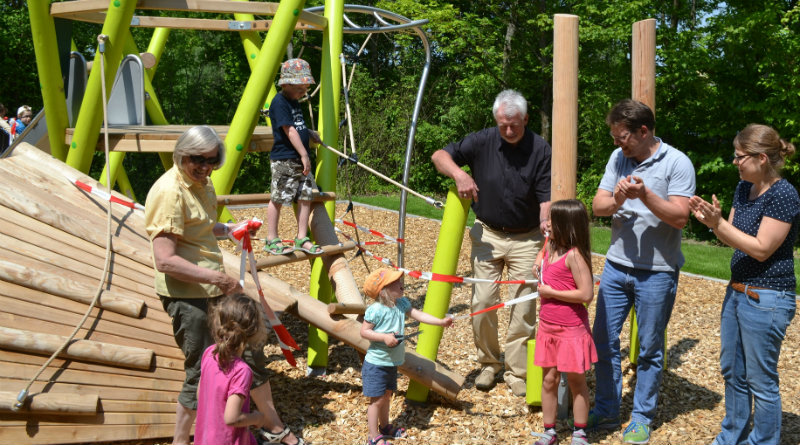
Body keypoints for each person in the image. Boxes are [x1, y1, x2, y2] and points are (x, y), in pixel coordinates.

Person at [145, 125, 307, 445]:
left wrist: (231, 228)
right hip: (188, 295)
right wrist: (219, 278)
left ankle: (270, 426)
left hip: (212, 289)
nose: (206, 167)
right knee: (202, 369)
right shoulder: (169, 192)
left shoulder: (201, 183)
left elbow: (201, 229)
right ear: (181, 155)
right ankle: (181, 440)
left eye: (212, 160)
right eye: (198, 159)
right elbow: (165, 260)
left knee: (249, 352)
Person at [431, 89, 551, 397]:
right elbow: (439, 155)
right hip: (488, 233)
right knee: (483, 302)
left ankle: (517, 371)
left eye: (515, 124)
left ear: (525, 119)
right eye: (503, 125)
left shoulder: (540, 149)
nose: (508, 131)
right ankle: (489, 364)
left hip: (528, 237)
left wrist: (547, 231)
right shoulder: (482, 139)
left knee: (523, 308)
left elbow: (546, 198)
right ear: (496, 120)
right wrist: (459, 174)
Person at [590, 99, 695, 444]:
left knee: (649, 349)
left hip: (658, 271)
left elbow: (680, 217)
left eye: (622, 137)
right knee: (603, 341)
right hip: (618, 265)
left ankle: (641, 418)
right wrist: (620, 198)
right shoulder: (618, 158)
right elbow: (599, 207)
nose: (617, 143)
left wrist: (645, 194)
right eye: (615, 136)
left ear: (644, 131)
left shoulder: (677, 163)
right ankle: (606, 410)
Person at [689, 124, 798, 445]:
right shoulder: (743, 189)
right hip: (737, 292)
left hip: (768, 297)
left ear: (761, 158)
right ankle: (731, 436)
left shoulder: (784, 194)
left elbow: (762, 248)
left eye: (740, 156)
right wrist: (714, 223)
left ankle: (763, 441)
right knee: (733, 372)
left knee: (761, 380)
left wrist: (719, 224)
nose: (735, 162)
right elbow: (735, 239)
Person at [360, 268, 454, 445]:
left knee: (386, 395)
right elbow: (364, 332)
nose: (402, 284)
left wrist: (441, 322)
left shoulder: (401, 303)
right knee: (377, 400)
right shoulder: (376, 310)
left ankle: (385, 427)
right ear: (384, 290)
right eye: (396, 282)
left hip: (391, 363)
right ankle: (372, 437)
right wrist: (384, 337)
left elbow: (418, 315)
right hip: (376, 364)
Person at [531, 200, 597, 445]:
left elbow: (586, 295)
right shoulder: (551, 246)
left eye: (552, 220)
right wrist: (538, 263)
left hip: (571, 329)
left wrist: (551, 292)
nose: (547, 224)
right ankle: (550, 430)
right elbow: (542, 253)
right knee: (549, 380)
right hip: (548, 327)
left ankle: (579, 432)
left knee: (576, 381)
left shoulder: (575, 256)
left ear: (567, 225)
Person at [265, 58, 322, 256]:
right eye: (300, 88)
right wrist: (305, 154)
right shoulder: (279, 102)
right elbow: (288, 129)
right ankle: (272, 238)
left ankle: (301, 237)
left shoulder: (294, 101)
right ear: (286, 84)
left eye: (306, 88)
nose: (303, 92)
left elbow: (296, 126)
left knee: (305, 197)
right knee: (279, 198)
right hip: (286, 159)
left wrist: (309, 132)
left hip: (299, 160)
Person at [196, 293, 267, 445]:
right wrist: (256, 418)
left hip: (205, 437)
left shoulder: (209, 353)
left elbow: (200, 393)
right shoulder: (241, 370)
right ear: (254, 330)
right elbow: (231, 418)